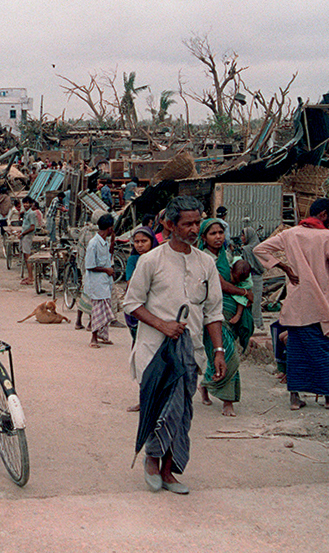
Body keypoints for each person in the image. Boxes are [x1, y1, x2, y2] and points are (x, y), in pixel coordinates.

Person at [124, 196, 225, 494]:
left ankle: (169, 470)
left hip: (190, 352)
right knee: (160, 409)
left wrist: (218, 351)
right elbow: (131, 303)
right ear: (170, 225)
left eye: (197, 223)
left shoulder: (206, 263)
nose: (194, 229)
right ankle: (152, 462)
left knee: (181, 414)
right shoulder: (150, 261)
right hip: (155, 352)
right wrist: (163, 325)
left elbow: (213, 312)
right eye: (187, 223)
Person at [253, 198, 329, 411]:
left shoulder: (290, 234)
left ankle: (295, 399)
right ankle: (328, 398)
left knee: (296, 351)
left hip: (297, 303)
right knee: (324, 350)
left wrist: (285, 268)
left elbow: (260, 249)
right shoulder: (327, 237)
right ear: (323, 215)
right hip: (321, 303)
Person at [197, 218, 247, 417]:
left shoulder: (227, 256)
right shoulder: (203, 258)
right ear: (204, 237)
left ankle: (207, 386)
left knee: (219, 354)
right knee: (229, 355)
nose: (218, 237)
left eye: (220, 232)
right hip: (210, 313)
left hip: (228, 312)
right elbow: (221, 286)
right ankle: (227, 401)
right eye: (213, 233)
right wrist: (244, 294)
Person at [123, 226, 159, 343]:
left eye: (144, 241)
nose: (139, 245)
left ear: (152, 241)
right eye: (136, 242)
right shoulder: (133, 260)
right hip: (138, 307)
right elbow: (130, 282)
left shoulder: (158, 259)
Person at [85, 213, 115, 349]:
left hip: (104, 282)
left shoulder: (105, 242)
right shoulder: (93, 244)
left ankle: (103, 336)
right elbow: (90, 265)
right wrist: (106, 270)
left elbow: (109, 256)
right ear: (109, 228)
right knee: (98, 311)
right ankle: (94, 337)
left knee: (104, 308)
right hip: (97, 282)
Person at [239, 224, 266, 332]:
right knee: (256, 302)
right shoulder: (259, 247)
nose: (241, 238)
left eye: (243, 236)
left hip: (252, 278)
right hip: (257, 278)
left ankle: (254, 324)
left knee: (253, 302)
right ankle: (257, 323)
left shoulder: (247, 249)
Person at [20, 196, 39, 285]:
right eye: (24, 203)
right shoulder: (26, 213)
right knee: (25, 256)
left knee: (28, 257)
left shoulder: (31, 213)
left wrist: (23, 233)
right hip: (24, 236)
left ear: (31, 204)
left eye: (27, 203)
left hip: (27, 236)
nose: (25, 205)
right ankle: (29, 275)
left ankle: (31, 278)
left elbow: (32, 227)